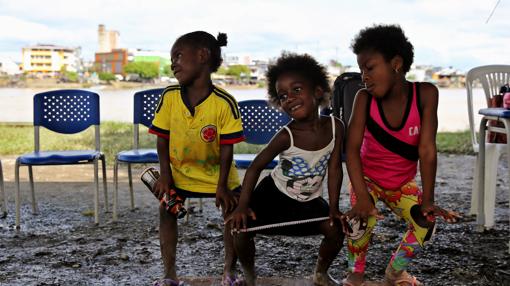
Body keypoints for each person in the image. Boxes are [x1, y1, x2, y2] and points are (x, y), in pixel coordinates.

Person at [342, 24, 459, 286]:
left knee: (425, 222)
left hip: (402, 184)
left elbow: (427, 149)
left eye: (369, 68)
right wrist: (362, 197)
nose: (364, 77)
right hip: (367, 180)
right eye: (361, 70)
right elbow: (351, 149)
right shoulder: (364, 99)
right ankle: (355, 274)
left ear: (396, 63)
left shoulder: (426, 94)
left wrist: (428, 200)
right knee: (360, 222)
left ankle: (395, 273)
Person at [227, 52, 346, 286]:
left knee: (336, 229)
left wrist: (333, 207)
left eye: (297, 90)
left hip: (308, 200)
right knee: (240, 230)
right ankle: (249, 275)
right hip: (273, 196)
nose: (289, 98)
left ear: (319, 91)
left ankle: (321, 274)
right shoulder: (286, 136)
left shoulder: (336, 127)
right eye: (282, 96)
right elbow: (255, 168)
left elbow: (334, 169)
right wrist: (242, 206)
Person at [149, 31, 245, 286]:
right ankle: (170, 274)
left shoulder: (225, 102)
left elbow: (227, 150)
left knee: (233, 210)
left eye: (179, 56)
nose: (173, 64)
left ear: (203, 56)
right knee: (166, 210)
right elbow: (162, 139)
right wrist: (166, 176)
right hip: (178, 173)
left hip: (218, 175)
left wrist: (222, 186)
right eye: (172, 59)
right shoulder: (169, 97)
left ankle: (229, 271)